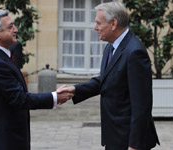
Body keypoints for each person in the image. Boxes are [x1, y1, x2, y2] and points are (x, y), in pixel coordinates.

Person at [58, 2, 160, 150]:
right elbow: (105, 80)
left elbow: (142, 106)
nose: (95, 27)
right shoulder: (111, 46)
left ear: (113, 23)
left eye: (99, 23)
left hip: (128, 139)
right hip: (114, 136)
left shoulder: (135, 52)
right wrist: (74, 89)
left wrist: (134, 146)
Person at [0, 9, 73, 150]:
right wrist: (54, 97)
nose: (16, 30)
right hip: (1, 140)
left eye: (14, 25)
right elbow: (19, 98)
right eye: (10, 27)